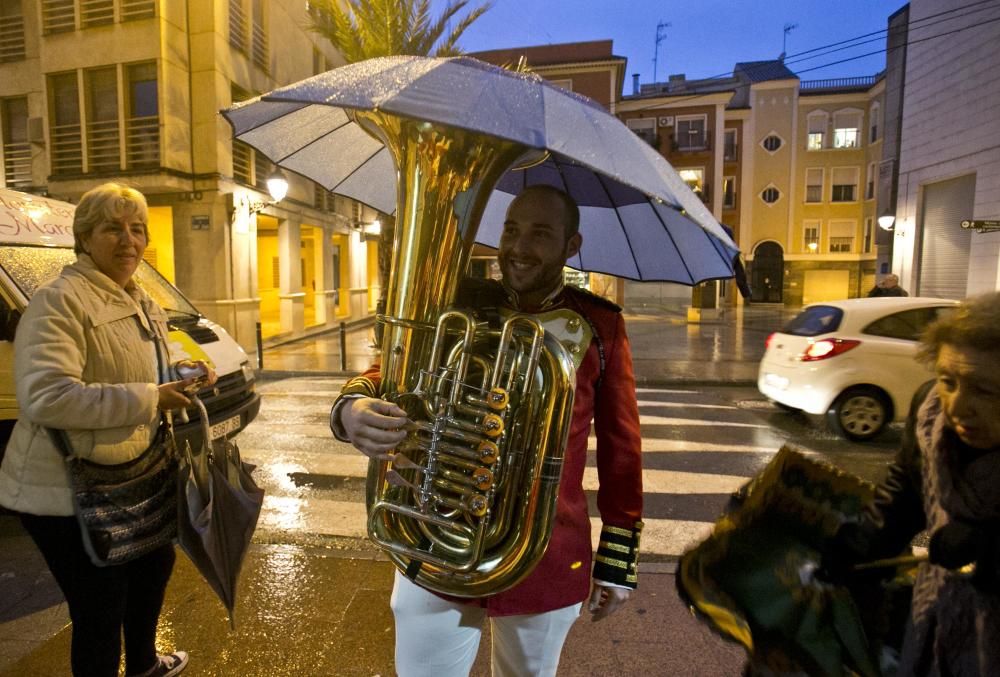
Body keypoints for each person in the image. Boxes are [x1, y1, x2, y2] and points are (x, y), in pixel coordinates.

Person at [329, 185, 644, 676]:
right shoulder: (459, 304)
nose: (519, 247)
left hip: (544, 551)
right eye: (511, 230)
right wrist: (351, 407)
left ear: (571, 245)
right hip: (435, 538)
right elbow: (390, 372)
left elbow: (622, 450)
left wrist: (618, 558)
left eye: (540, 234)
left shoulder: (600, 326)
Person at [0, 183, 215, 677]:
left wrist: (184, 372)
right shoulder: (59, 302)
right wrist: (151, 398)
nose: (129, 240)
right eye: (112, 229)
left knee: (154, 565)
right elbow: (47, 397)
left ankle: (142, 664)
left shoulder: (139, 298)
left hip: (131, 469)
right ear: (84, 238)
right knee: (100, 605)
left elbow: (141, 366)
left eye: (137, 229)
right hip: (62, 487)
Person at [832, 291, 1000, 674]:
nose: (957, 407)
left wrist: (991, 552)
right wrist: (858, 546)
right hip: (936, 619)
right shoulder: (930, 416)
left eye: (985, 390)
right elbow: (903, 494)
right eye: (948, 380)